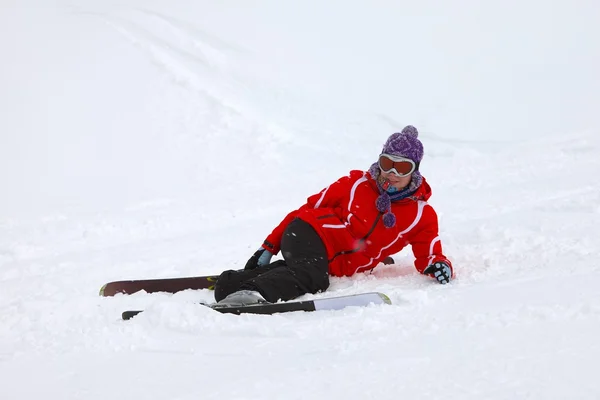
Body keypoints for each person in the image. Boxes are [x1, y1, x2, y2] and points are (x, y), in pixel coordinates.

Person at [214, 125, 453, 306]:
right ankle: (255, 294)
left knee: (306, 270)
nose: (390, 173)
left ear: (415, 171)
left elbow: (430, 251)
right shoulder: (356, 184)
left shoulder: (422, 215)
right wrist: (268, 246)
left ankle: (232, 284)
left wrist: (439, 265)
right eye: (386, 163)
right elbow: (306, 208)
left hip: (323, 259)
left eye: (401, 168)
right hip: (308, 233)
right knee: (313, 278)